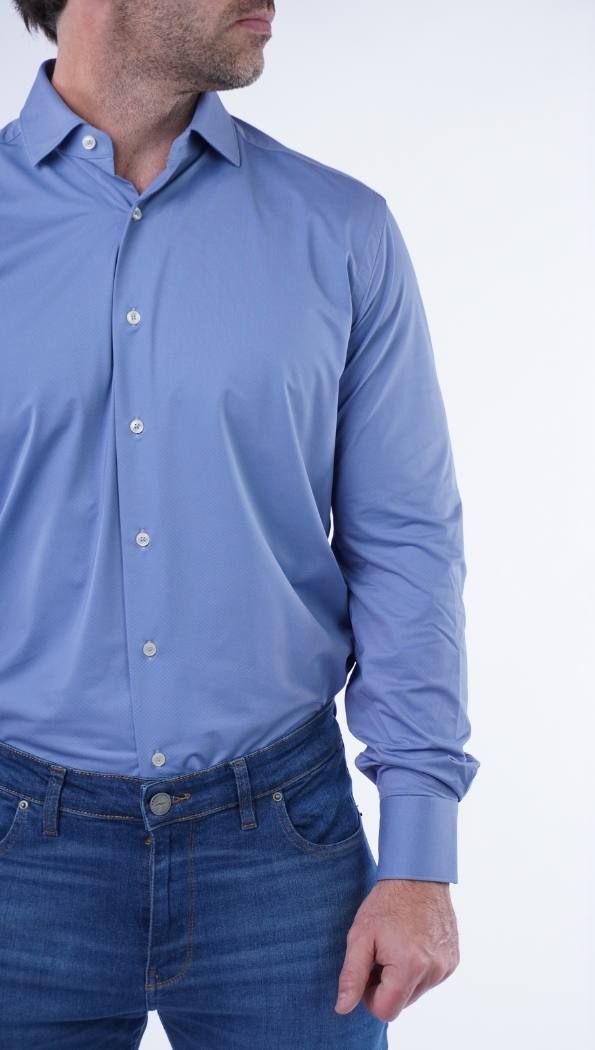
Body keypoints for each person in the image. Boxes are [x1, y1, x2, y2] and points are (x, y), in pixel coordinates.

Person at [0, 1, 480, 1046]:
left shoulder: (339, 230)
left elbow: (406, 543)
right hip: (16, 849)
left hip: (283, 848)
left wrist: (418, 853)